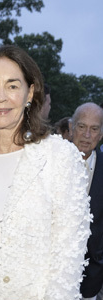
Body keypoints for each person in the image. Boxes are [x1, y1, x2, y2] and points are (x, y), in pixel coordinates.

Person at [0, 45, 91, 300]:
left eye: (12, 85)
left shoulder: (61, 157)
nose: (0, 97)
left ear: (30, 92)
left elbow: (67, 257)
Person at [69, 103, 103, 300]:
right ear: (72, 128)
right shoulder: (50, 163)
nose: (87, 135)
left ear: (101, 134)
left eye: (94, 129)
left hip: (92, 280)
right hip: (49, 276)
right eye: (82, 127)